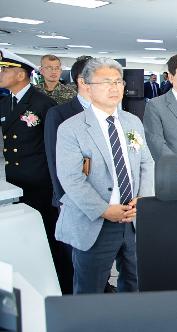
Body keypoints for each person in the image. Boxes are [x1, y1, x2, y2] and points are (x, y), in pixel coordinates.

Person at [55, 57, 154, 294]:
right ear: (86, 86)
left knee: (135, 282)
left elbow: (146, 162)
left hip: (133, 220)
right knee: (90, 290)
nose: (114, 87)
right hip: (95, 221)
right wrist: (103, 209)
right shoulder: (72, 128)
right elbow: (71, 178)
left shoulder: (132, 122)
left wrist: (144, 198)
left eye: (118, 81)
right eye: (106, 82)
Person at [0, 50, 59, 281]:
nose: (1, 74)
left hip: (40, 182)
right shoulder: (6, 103)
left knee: (47, 235)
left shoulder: (43, 103)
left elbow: (53, 147)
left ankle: (58, 281)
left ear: (21, 74)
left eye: (5, 70)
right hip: (16, 179)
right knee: (26, 234)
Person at [44, 55, 93, 294]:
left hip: (104, 199)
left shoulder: (112, 112)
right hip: (72, 198)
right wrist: (64, 198)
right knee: (76, 256)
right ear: (83, 80)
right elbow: (56, 163)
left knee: (97, 256)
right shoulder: (60, 114)